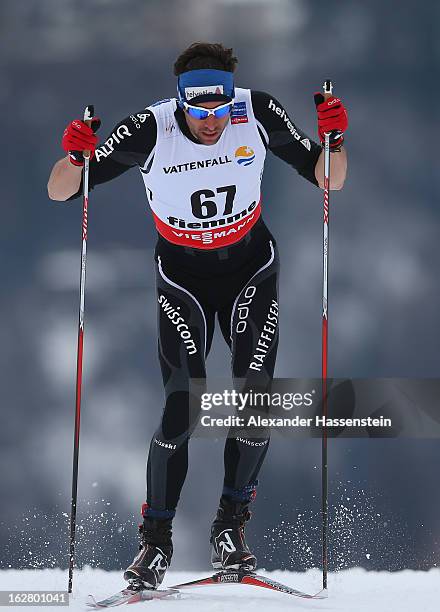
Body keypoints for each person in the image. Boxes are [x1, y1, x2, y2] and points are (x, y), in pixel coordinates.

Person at [48, 42, 348, 589]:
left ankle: (230, 529)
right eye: (199, 109)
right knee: (185, 403)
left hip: (250, 270)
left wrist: (334, 140)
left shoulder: (254, 112)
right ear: (181, 99)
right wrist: (73, 158)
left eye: (220, 107)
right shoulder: (150, 128)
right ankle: (155, 544)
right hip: (182, 277)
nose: (212, 121)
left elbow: (331, 177)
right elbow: (62, 192)